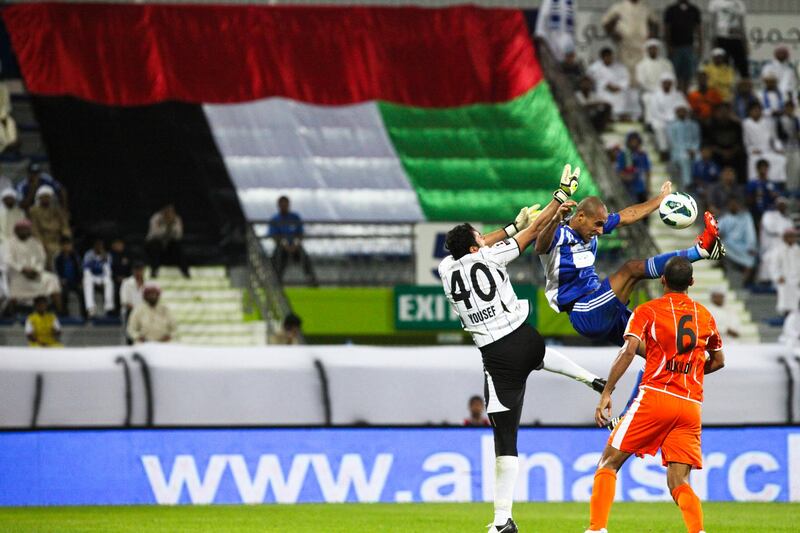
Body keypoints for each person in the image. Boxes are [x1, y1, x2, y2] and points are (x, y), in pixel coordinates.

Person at [439, 165, 608, 533]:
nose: (485, 238)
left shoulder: (444, 268)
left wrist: (510, 228)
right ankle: (593, 380)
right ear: (474, 246)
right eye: (479, 237)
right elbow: (531, 234)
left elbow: (478, 245)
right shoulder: (490, 256)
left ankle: (502, 521)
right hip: (524, 336)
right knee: (541, 355)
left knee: (505, 441)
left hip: (497, 356)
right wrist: (558, 198)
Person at [587, 257, 725, 533]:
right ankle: (698, 531)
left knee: (609, 462)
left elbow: (628, 352)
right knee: (679, 482)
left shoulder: (647, 311)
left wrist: (607, 392)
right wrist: (690, 373)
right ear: (692, 282)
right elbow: (718, 360)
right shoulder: (705, 316)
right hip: (690, 406)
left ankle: (596, 529)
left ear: (662, 280)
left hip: (656, 397)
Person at [6, 220, 62, 311]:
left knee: (52, 279)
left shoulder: (35, 243)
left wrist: (36, 271)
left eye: (27, 229)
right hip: (18, 275)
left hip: (35, 274)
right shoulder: (9, 243)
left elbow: (41, 259)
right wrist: (23, 270)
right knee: (13, 285)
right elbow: (8, 260)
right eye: (22, 229)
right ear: (16, 230)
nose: (25, 231)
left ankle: (60, 311)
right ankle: (11, 314)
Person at [601, 0, 658, 79]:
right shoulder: (618, 7)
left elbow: (655, 23)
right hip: (625, 46)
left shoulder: (645, 7)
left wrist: (652, 37)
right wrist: (614, 34)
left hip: (642, 46)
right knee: (625, 73)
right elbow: (605, 22)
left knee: (642, 73)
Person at [268, 196, 317, 285]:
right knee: (276, 263)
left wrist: (295, 244)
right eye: (281, 204)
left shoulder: (295, 217)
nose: (284, 206)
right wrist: (285, 244)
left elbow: (300, 233)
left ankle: (312, 282)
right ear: (278, 205)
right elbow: (274, 235)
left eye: (285, 204)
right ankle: (275, 283)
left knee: (305, 260)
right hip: (281, 248)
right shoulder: (275, 219)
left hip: (295, 247)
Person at [663, 0, 702, 93]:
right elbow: (667, 29)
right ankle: (677, 97)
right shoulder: (670, 10)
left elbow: (698, 29)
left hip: (689, 47)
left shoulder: (694, 10)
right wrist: (668, 46)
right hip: (675, 48)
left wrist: (700, 45)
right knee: (675, 75)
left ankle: (686, 96)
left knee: (688, 75)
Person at [28, 185, 71, 269]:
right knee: (51, 254)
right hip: (44, 241)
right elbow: (34, 230)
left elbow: (64, 226)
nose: (46, 199)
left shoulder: (57, 210)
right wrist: (42, 244)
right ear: (39, 198)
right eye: (43, 197)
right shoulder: (34, 211)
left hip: (58, 240)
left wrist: (66, 239)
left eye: (48, 197)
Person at [743, 102, 786, 184]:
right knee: (754, 160)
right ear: (749, 112)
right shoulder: (746, 123)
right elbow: (746, 142)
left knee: (780, 159)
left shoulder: (768, 122)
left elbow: (775, 138)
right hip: (755, 151)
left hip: (768, 150)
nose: (756, 112)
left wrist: (779, 148)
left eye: (758, 110)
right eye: (754, 110)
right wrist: (751, 150)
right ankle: (755, 184)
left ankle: (776, 183)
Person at [646, 73, 688, 157]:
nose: (667, 84)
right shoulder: (655, 95)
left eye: (669, 82)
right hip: (660, 119)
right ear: (661, 83)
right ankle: (663, 150)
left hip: (676, 119)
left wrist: (674, 118)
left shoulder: (678, 95)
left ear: (672, 83)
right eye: (665, 82)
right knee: (659, 127)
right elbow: (655, 111)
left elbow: (684, 107)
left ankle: (678, 151)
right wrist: (667, 118)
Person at [587, 48, 635, 120]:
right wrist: (605, 84)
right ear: (602, 57)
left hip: (618, 91)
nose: (608, 59)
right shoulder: (595, 67)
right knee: (603, 100)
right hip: (603, 91)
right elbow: (590, 77)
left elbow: (626, 79)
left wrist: (619, 87)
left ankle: (621, 117)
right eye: (606, 57)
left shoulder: (620, 67)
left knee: (629, 95)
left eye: (610, 56)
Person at [718, 198, 757, 284]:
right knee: (718, 245)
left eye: (735, 204)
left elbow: (750, 233)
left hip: (743, 246)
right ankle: (721, 268)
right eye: (731, 205)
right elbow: (716, 230)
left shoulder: (746, 217)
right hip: (729, 244)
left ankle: (744, 282)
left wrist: (751, 247)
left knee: (750, 260)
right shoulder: (726, 217)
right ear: (728, 206)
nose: (733, 206)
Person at [145, 204, 189, 278]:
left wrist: (170, 226)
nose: (169, 213)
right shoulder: (156, 218)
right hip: (154, 243)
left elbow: (179, 235)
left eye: (171, 211)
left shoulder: (176, 219)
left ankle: (185, 272)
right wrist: (167, 227)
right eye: (167, 211)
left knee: (178, 246)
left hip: (169, 245)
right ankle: (154, 271)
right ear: (163, 211)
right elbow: (155, 234)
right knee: (155, 245)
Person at [703, 103, 745, 179]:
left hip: (733, 152)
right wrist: (722, 152)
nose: (723, 114)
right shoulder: (711, 126)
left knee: (742, 156)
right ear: (716, 113)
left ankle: (740, 182)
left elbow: (740, 142)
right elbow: (709, 144)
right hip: (717, 153)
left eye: (726, 112)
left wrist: (731, 152)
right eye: (721, 112)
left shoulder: (736, 125)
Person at [758, 197, 794, 283]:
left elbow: (790, 232)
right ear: (776, 205)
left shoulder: (787, 219)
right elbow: (770, 228)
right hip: (770, 244)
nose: (782, 207)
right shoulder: (768, 215)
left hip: (783, 244)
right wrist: (783, 233)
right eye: (780, 205)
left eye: (784, 205)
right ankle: (766, 281)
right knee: (770, 257)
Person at [708, 0, 748, 77]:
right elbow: (713, 23)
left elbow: (742, 24)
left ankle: (743, 85)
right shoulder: (715, 2)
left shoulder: (739, 3)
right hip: (721, 38)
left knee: (743, 66)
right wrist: (713, 40)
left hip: (736, 38)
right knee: (723, 65)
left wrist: (745, 42)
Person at [666, 105, 700, 188]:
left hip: (693, 149)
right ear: (676, 113)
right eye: (680, 111)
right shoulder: (672, 126)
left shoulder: (693, 124)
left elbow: (697, 139)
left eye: (683, 111)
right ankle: (687, 183)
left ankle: (699, 183)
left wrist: (693, 149)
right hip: (678, 151)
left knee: (700, 158)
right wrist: (686, 150)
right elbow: (672, 142)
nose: (682, 113)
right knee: (684, 158)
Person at [615, 132, 650, 203]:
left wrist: (648, 187)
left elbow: (647, 172)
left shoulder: (642, 155)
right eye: (632, 141)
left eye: (635, 141)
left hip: (641, 188)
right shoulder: (623, 154)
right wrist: (626, 177)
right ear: (628, 142)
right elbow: (619, 172)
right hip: (628, 189)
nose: (634, 143)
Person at [53, 237, 84, 317]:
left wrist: (80, 281)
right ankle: (64, 314)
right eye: (65, 245)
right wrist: (60, 280)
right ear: (61, 246)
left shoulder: (75, 257)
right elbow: (55, 271)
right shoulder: (57, 257)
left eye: (68, 245)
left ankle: (84, 314)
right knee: (64, 293)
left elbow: (80, 270)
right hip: (63, 282)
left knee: (82, 292)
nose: (67, 247)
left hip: (75, 281)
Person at [82, 239, 114, 317]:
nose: (99, 247)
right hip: (91, 276)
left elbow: (108, 271)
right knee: (87, 280)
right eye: (97, 245)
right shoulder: (89, 254)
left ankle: (109, 307)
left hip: (102, 277)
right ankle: (91, 308)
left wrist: (104, 259)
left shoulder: (107, 255)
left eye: (100, 245)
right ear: (94, 246)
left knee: (109, 282)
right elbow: (86, 270)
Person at [772, 229, 800, 316]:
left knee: (796, 301)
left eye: (794, 236)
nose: (792, 238)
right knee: (785, 301)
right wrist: (777, 276)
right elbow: (774, 266)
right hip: (785, 280)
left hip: (797, 280)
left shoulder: (798, 249)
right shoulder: (778, 250)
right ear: (784, 238)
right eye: (790, 236)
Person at [746, 160, 781, 228]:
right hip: (756, 213)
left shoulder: (772, 184)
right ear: (757, 169)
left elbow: (778, 198)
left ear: (768, 169)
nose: (763, 170)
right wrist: (755, 195)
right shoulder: (752, 183)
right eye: (761, 168)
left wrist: (774, 195)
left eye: (765, 168)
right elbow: (748, 201)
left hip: (770, 213)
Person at [776, 100, 800, 192]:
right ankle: (787, 188)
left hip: (795, 147)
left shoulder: (795, 119)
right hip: (784, 147)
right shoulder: (780, 119)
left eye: (791, 107)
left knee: (797, 167)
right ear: (785, 108)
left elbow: (797, 132)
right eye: (788, 107)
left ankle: (795, 188)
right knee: (786, 168)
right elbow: (779, 135)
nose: (789, 109)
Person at [109, 238, 131, 313]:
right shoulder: (110, 257)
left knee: (128, 286)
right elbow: (108, 270)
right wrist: (115, 277)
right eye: (117, 244)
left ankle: (126, 310)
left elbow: (130, 269)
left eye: (121, 244)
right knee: (115, 288)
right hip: (114, 279)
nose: (120, 246)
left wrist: (126, 277)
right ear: (113, 246)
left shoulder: (127, 255)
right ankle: (115, 310)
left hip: (126, 279)